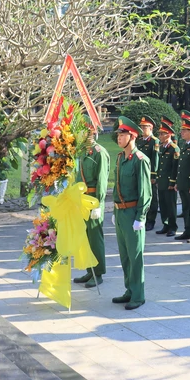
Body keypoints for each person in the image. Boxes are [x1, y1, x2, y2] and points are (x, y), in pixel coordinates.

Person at [111, 117, 152, 310]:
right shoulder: (120, 158)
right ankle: (129, 290)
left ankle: (138, 295)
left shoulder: (140, 160)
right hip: (120, 213)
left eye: (122, 135)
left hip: (133, 213)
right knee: (125, 256)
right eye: (118, 135)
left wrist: (141, 217)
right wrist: (114, 210)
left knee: (135, 257)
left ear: (132, 136)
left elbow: (146, 192)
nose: (119, 138)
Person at [72, 127, 110, 288]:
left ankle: (98, 272)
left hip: (93, 200)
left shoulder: (99, 152)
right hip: (82, 200)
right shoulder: (82, 152)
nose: (81, 135)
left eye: (84, 132)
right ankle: (90, 270)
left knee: (95, 238)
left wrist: (99, 204)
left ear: (92, 133)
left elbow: (102, 180)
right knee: (85, 237)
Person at [155, 121, 179, 237]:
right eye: (159, 134)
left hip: (169, 181)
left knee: (171, 204)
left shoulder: (174, 148)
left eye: (161, 134)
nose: (159, 136)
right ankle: (166, 224)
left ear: (168, 135)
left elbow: (175, 167)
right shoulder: (161, 147)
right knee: (163, 204)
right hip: (162, 180)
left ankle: (173, 226)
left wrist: (172, 182)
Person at [136, 116, 160, 231]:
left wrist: (153, 175)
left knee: (152, 198)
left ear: (150, 128)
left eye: (144, 127)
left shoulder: (154, 141)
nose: (142, 129)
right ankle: (143, 218)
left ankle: (151, 220)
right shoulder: (140, 140)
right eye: (141, 127)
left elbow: (155, 160)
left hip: (149, 174)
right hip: (140, 173)